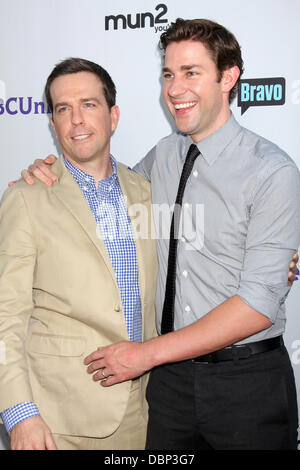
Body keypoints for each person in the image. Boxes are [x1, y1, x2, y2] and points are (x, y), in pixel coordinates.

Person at [17, 19, 300, 450]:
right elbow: (98, 186)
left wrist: (147, 353)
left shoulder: (272, 171)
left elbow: (259, 302)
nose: (174, 88)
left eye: (191, 73)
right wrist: (50, 169)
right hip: (168, 390)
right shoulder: (160, 160)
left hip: (246, 385)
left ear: (228, 77)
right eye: (168, 74)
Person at [0, 58, 157, 450]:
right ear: (53, 123)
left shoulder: (149, 192)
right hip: (56, 421)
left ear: (113, 115)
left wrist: (277, 262)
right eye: (63, 109)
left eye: (88, 104)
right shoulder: (27, 197)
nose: (76, 120)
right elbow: (6, 315)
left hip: (144, 413)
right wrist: (20, 414)